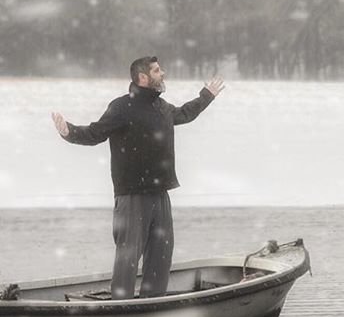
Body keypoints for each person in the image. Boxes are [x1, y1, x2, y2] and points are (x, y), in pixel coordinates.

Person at [51, 56, 225, 300]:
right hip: (131, 195)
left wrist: (206, 96)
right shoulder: (122, 107)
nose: (162, 73)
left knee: (161, 254)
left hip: (160, 193)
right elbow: (95, 133)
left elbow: (185, 113)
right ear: (143, 77)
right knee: (128, 255)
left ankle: (152, 304)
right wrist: (69, 131)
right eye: (156, 70)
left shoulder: (162, 107)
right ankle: (119, 307)